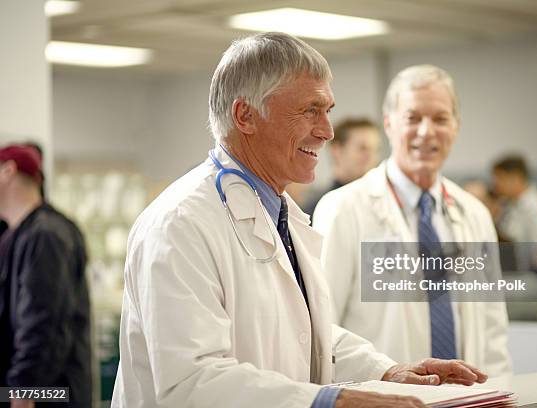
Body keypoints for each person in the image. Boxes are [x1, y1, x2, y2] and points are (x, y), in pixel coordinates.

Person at [111, 34, 487, 408]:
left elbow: (307, 334)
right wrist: (330, 401)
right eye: (310, 110)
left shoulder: (281, 214)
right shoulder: (179, 224)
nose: (327, 130)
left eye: (327, 110)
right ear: (246, 115)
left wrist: (387, 371)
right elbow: (191, 382)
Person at [313, 65, 512, 377]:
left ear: (457, 126)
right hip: (381, 396)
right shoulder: (343, 209)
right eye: (413, 118)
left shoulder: (474, 214)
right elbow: (322, 328)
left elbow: (493, 330)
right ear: (389, 124)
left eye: (440, 119)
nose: (426, 131)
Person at [0, 144, 92, 408]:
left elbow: (43, 323)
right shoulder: (17, 234)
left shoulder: (46, 235)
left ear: (8, 171)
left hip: (51, 395)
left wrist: (23, 391)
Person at [303, 118, 381, 218]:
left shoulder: (382, 205)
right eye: (363, 148)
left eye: (376, 149)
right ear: (337, 150)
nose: (371, 157)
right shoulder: (317, 209)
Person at [492, 155, 537, 243]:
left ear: (516, 177)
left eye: (500, 178)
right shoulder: (506, 203)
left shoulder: (535, 206)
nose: (496, 184)